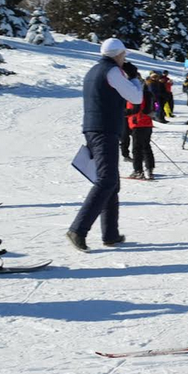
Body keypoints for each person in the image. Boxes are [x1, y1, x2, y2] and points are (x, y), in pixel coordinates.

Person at [67, 38, 143, 252]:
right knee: (106, 180)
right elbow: (136, 98)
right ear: (118, 54)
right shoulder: (112, 72)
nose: (125, 59)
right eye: (124, 55)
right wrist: (135, 78)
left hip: (95, 127)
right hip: (104, 129)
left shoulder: (94, 70)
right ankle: (78, 229)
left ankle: (110, 233)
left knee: (112, 182)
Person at [125, 71, 156, 180]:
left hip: (138, 122)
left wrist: (125, 112)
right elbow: (156, 105)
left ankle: (138, 170)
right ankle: (149, 168)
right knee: (146, 146)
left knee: (137, 148)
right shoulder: (148, 92)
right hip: (147, 123)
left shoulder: (136, 92)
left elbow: (135, 108)